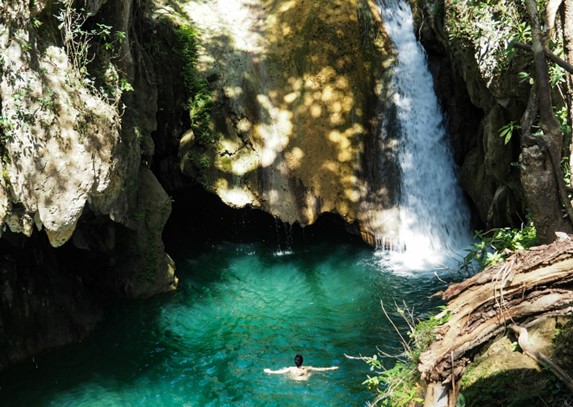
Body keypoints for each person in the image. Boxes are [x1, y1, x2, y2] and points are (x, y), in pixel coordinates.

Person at [264, 354, 339, 381]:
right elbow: (320, 369)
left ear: (294, 362)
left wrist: (270, 371)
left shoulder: (291, 368)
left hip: (295, 379)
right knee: (313, 372)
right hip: (305, 379)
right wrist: (331, 368)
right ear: (302, 361)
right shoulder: (307, 367)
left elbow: (279, 372)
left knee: (285, 372)